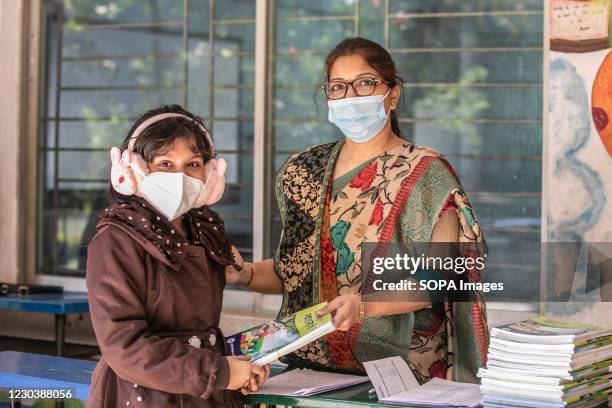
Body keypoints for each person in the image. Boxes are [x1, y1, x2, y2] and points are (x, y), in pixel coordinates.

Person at [227, 37, 488, 383]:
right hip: (311, 372)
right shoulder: (305, 171)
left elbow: (439, 278)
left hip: (400, 374)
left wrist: (362, 306)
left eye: (365, 83)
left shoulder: (425, 174)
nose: (351, 96)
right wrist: (243, 273)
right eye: (338, 87)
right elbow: (297, 275)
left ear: (392, 96)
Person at [86, 105, 270, 407]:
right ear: (134, 168)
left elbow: (202, 330)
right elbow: (124, 346)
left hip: (205, 394)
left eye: (193, 164)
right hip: (142, 396)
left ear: (209, 174)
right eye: (166, 164)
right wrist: (220, 372)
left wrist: (238, 370)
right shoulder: (115, 240)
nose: (180, 177)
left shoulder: (204, 231)